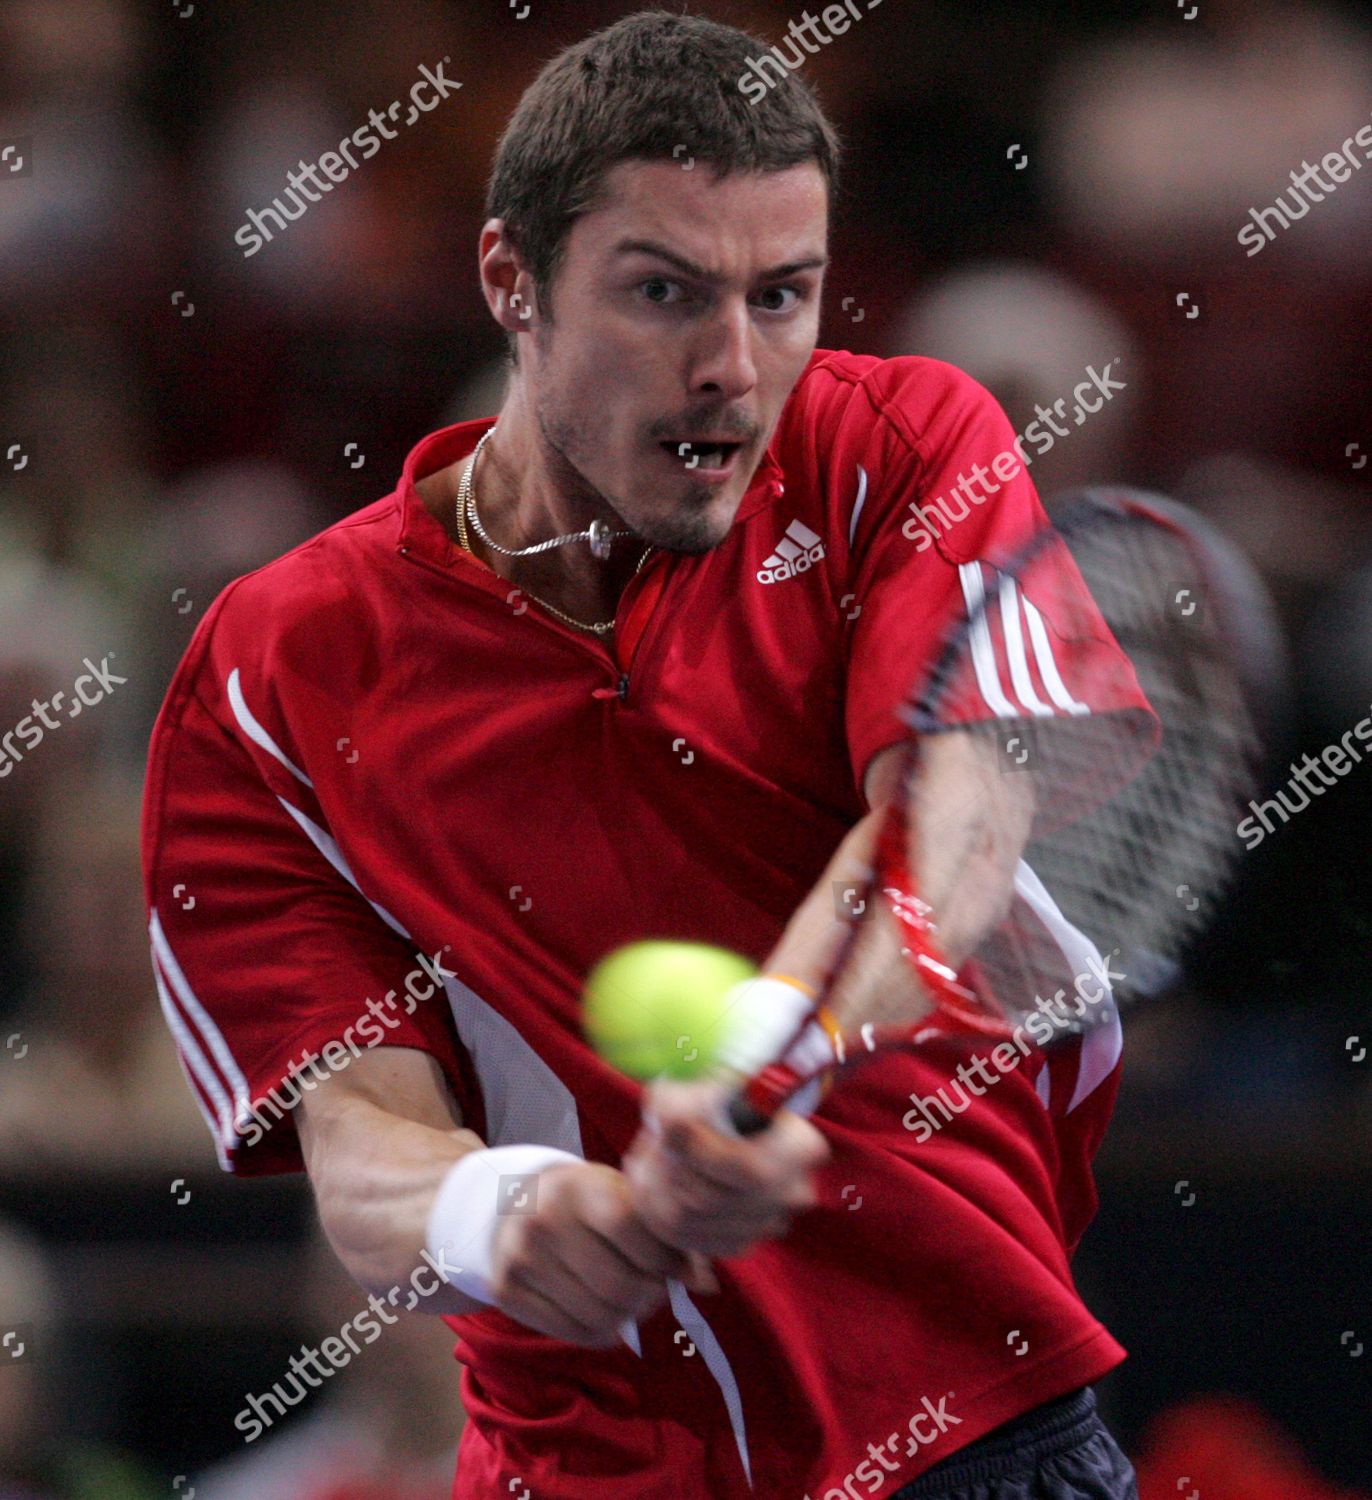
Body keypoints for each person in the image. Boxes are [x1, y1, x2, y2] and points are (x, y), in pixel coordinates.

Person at [142, 12, 1144, 1498]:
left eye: (783, 295)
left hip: (975, 1439)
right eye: (664, 293)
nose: (734, 368)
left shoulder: (904, 446)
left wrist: (769, 1052)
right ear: (512, 283)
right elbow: (362, 1150)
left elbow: (955, 832)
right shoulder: (269, 676)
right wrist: (506, 1212)